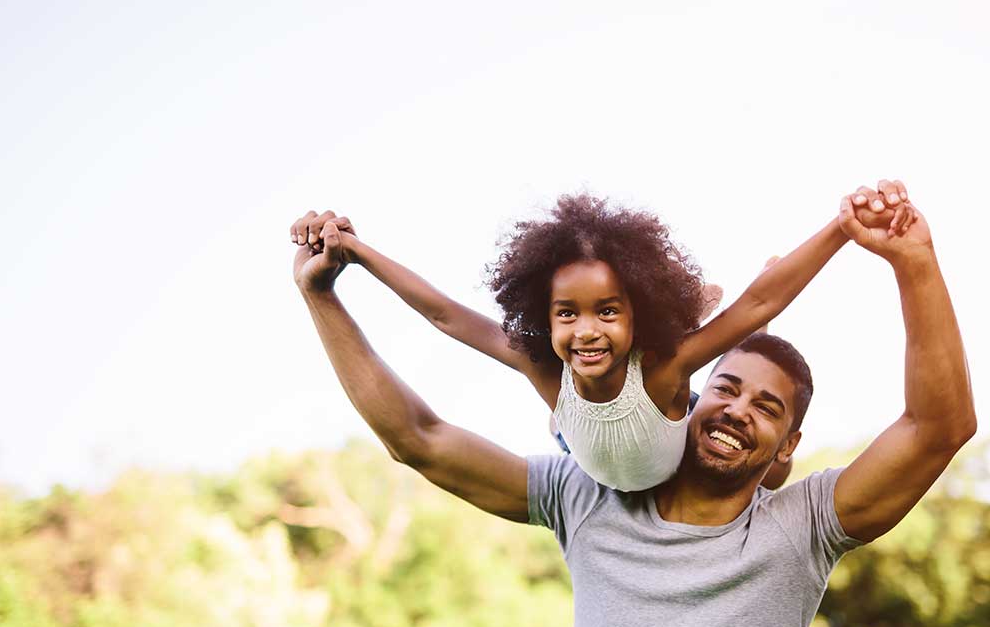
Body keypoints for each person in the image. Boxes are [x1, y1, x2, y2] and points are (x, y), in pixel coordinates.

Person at [290, 179, 975, 627]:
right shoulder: (583, 497)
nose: (738, 408)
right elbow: (420, 438)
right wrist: (321, 296)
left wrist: (913, 262)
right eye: (728, 389)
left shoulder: (802, 527)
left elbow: (937, 427)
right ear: (692, 398)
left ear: (786, 451)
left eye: (768, 408)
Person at [292, 192, 910, 492]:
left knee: (766, 470)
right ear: (545, 314)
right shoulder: (545, 370)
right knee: (711, 345)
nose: (586, 331)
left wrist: (841, 229)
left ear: (636, 314)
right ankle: (701, 305)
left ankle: (699, 309)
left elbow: (762, 299)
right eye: (567, 314)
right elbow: (448, 316)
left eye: (608, 312)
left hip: (663, 423)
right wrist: (358, 253)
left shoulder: (664, 368)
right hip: (578, 442)